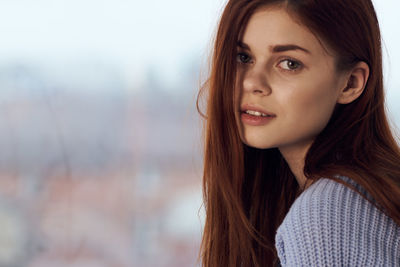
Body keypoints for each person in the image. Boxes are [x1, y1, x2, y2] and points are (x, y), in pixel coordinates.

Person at [196, 0, 400, 266]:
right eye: (243, 57)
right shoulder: (363, 194)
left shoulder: (328, 217)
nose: (252, 82)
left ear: (351, 83)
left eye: (289, 63)